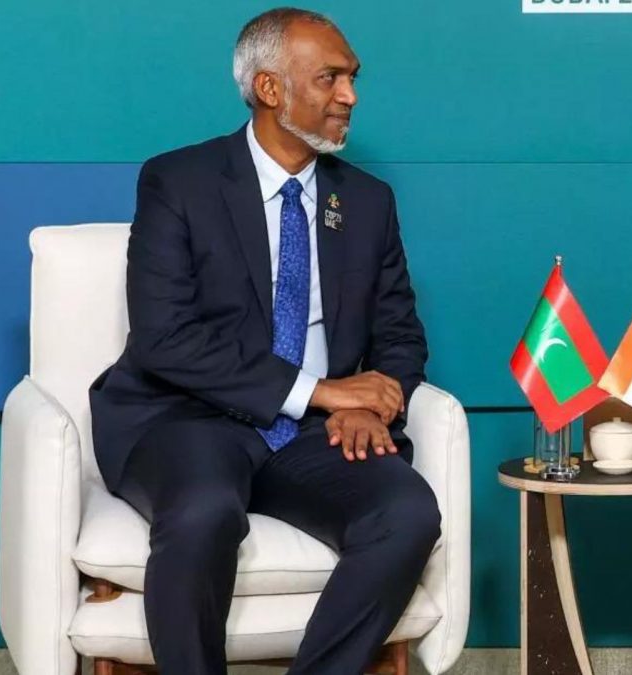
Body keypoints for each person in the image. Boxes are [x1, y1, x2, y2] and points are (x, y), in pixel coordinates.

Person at [88, 8, 440, 673]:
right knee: (202, 512)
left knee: (408, 511)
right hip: (185, 416)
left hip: (308, 434)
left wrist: (371, 404)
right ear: (271, 89)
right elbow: (165, 338)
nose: (350, 96)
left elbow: (400, 334)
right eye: (330, 78)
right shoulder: (178, 182)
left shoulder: (367, 201)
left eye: (353, 78)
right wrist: (323, 390)